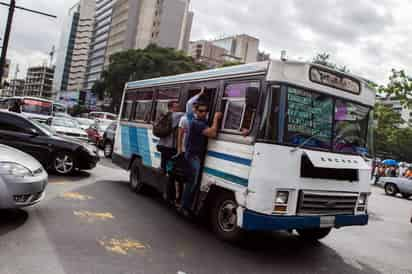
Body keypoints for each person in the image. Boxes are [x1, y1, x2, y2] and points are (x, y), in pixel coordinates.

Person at [180, 100, 222, 214]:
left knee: (192, 181)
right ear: (196, 112)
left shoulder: (202, 122)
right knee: (192, 182)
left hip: (195, 155)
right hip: (193, 156)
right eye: (201, 111)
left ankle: (186, 204)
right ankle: (184, 206)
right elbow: (213, 133)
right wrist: (216, 118)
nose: (203, 113)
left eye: (205, 111)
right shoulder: (196, 123)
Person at [157, 101, 184, 173]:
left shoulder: (163, 115)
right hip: (170, 146)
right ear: (172, 107)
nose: (179, 108)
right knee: (174, 164)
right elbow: (189, 115)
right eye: (177, 107)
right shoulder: (176, 115)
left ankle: (162, 170)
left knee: (164, 161)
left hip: (161, 144)